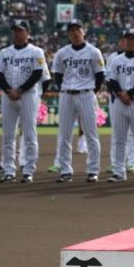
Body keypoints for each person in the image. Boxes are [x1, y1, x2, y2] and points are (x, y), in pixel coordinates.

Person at [51, 21, 106, 183]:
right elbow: (58, 76)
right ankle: (65, 170)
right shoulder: (62, 53)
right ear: (68, 35)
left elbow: (100, 76)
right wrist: (66, 88)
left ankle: (93, 170)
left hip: (86, 94)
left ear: (84, 32)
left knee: (91, 134)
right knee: (64, 135)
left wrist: (90, 92)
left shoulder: (94, 52)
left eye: (78, 30)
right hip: (67, 94)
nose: (75, 33)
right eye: (72, 31)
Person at [0, 19, 47, 183]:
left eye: (21, 30)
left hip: (28, 95)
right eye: (15, 30)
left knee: (30, 134)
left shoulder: (36, 52)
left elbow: (37, 74)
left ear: (28, 33)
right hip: (8, 95)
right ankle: (9, 170)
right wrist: (9, 90)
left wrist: (20, 90)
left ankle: (28, 170)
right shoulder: (4, 52)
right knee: (8, 136)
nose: (17, 33)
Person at [105, 27, 134, 182]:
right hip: (120, 102)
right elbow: (111, 80)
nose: (130, 41)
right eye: (128, 38)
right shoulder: (116, 60)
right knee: (119, 139)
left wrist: (129, 94)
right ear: (124, 41)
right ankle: (119, 171)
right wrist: (121, 94)